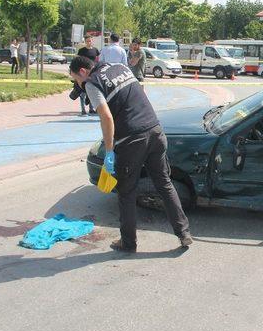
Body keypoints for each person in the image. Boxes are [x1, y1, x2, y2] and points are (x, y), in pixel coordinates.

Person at [69, 55, 193, 252]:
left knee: (126, 193)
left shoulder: (92, 84)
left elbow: (107, 118)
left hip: (131, 140)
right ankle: (184, 233)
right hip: (155, 130)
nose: (77, 84)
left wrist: (109, 151)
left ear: (83, 72)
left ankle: (128, 243)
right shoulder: (120, 67)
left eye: (75, 79)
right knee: (164, 184)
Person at [76, 36, 100, 114]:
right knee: (82, 91)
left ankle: (91, 108)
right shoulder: (81, 51)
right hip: (83, 73)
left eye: (90, 41)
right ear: (85, 42)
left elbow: (98, 60)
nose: (89, 42)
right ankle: (83, 109)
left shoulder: (95, 50)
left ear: (92, 41)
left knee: (91, 91)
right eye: (87, 41)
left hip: (92, 73)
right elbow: (77, 61)